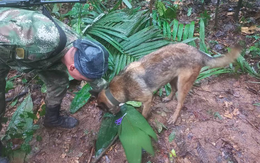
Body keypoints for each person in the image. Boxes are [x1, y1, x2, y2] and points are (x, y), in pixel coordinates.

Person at [0, 7, 109, 162]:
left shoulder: (80, 47)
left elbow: (93, 76)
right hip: (4, 48)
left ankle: (52, 119)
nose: (86, 81)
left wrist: (109, 93)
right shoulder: (37, 39)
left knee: (58, 82)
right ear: (72, 67)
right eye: (85, 78)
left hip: (38, 58)